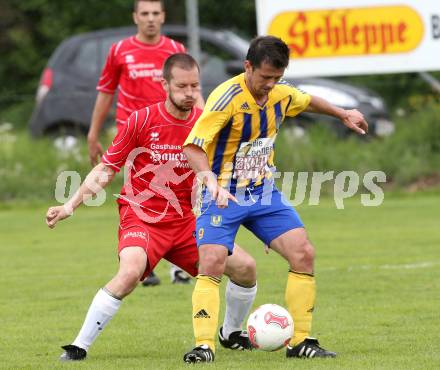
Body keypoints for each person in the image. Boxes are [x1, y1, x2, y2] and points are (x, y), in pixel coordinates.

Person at [46, 54, 257, 361]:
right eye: (181, 85)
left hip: (186, 222)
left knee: (246, 269)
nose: (189, 92)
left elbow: (229, 178)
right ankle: (79, 346)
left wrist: (255, 224)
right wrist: (69, 206)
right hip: (141, 217)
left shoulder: (206, 124)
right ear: (165, 85)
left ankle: (230, 334)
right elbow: (106, 169)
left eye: (194, 85)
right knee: (130, 272)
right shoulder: (142, 119)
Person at [182, 36, 369, 363]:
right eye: (265, 77)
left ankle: (300, 341)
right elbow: (193, 145)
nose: (270, 85)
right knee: (211, 262)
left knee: (303, 253)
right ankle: (204, 346)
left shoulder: (280, 93)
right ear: (248, 67)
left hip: (262, 191)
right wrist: (207, 178)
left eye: (277, 78)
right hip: (222, 194)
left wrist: (342, 114)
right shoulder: (225, 99)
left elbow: (307, 100)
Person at [87, 0, 202, 285]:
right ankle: (143, 256)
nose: (150, 19)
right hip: (135, 131)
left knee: (182, 185)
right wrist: (93, 132)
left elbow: (190, 89)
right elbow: (106, 92)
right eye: (145, 14)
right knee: (143, 191)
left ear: (163, 16)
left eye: (155, 14)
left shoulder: (175, 50)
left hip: (175, 130)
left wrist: (206, 124)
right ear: (135, 17)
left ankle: (177, 261)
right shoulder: (120, 51)